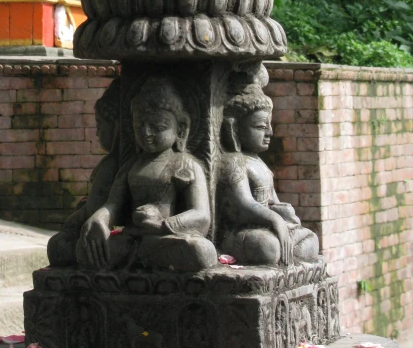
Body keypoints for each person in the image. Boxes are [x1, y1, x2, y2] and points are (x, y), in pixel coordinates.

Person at [77, 77, 217, 272]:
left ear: (181, 129)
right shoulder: (131, 166)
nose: (146, 133)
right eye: (139, 126)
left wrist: (161, 225)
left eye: (158, 128)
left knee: (201, 251)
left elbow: (201, 216)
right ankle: (146, 262)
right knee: (84, 250)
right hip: (133, 239)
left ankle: (142, 263)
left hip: (167, 237)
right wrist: (99, 218)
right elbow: (113, 205)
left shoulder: (186, 165)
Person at [217, 83, 319, 266]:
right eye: (260, 126)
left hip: (269, 225)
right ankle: (281, 252)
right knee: (267, 247)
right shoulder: (233, 162)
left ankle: (287, 254)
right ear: (234, 129)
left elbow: (272, 201)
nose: (269, 132)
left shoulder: (260, 164)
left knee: (311, 239)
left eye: (269, 126)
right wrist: (275, 220)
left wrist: (283, 211)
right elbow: (244, 204)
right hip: (242, 230)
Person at [47, 79, 121, 267]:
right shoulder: (114, 164)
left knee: (59, 246)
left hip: (105, 231)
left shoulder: (112, 166)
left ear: (118, 126)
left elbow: (96, 210)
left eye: (100, 125)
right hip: (100, 226)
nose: (97, 134)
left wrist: (82, 215)